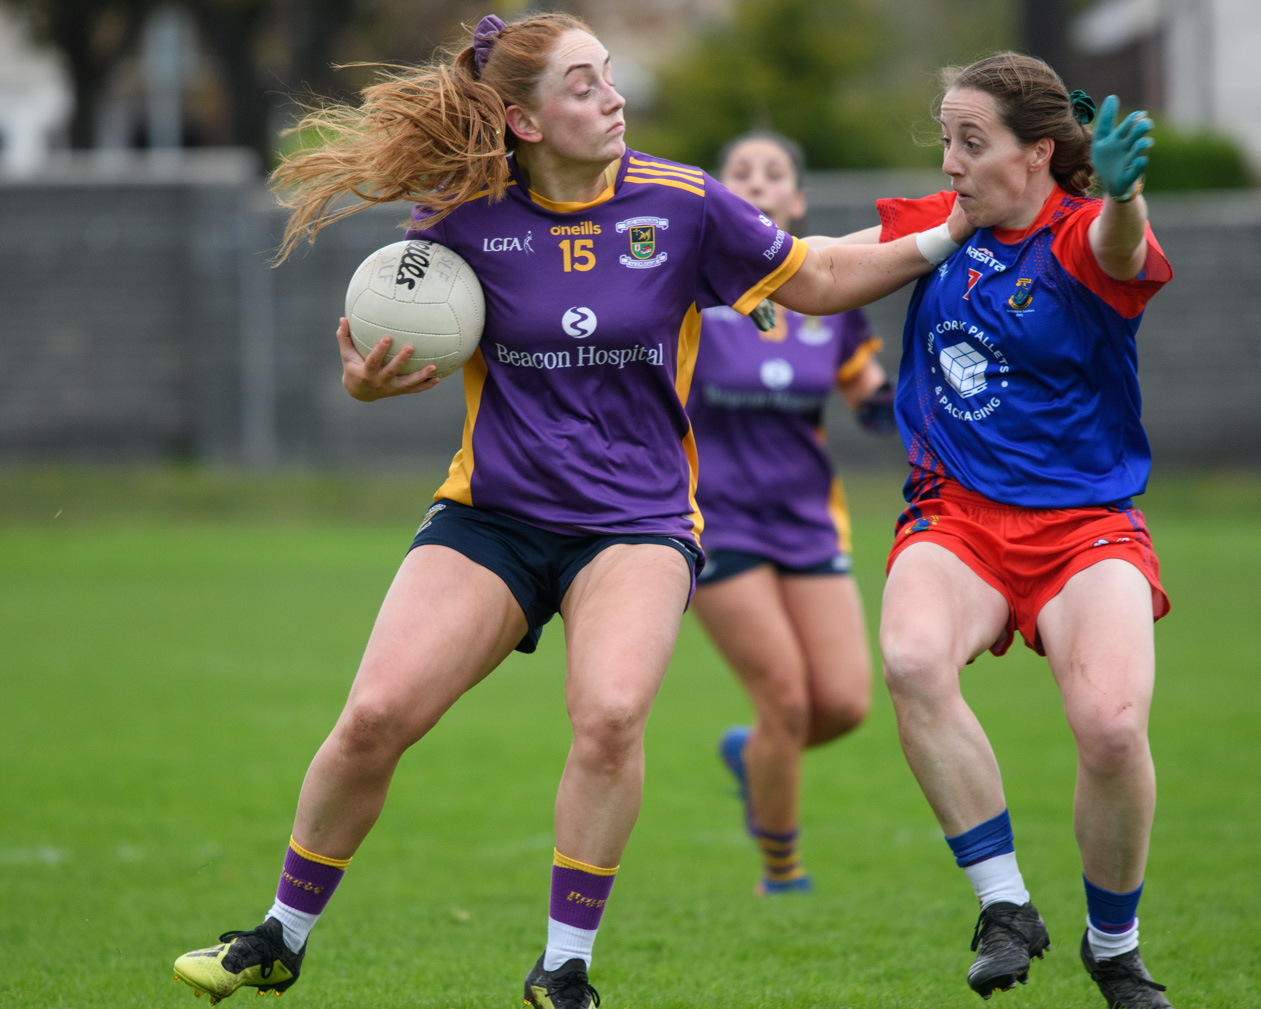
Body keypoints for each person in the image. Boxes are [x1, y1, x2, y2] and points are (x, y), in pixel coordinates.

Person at [170, 12, 973, 1009]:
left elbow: (816, 276)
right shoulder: (458, 218)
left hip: (636, 521)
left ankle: (562, 968)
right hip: (493, 513)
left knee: (610, 712)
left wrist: (948, 229)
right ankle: (279, 936)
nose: (614, 97)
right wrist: (373, 385)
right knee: (374, 714)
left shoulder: (684, 204)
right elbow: (412, 348)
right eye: (586, 84)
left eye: (610, 77)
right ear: (525, 118)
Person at [868, 53, 1174, 1008]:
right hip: (954, 514)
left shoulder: (1084, 232)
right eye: (945, 140)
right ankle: (1004, 906)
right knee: (913, 660)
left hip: (1084, 524)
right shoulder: (940, 226)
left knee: (1113, 730)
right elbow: (823, 268)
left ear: (1038, 153)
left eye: (971, 142)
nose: (950, 163)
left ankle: (1112, 947)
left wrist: (1122, 196)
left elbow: (1120, 252)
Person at [685, 130, 894, 895]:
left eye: (774, 173)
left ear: (798, 201)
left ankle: (752, 755)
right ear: (718, 196)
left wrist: (930, 398)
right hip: (716, 523)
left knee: (840, 704)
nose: (757, 182)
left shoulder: (827, 297)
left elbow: (870, 400)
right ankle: (782, 875)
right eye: (739, 172)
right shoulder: (690, 294)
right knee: (787, 701)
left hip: (808, 519)